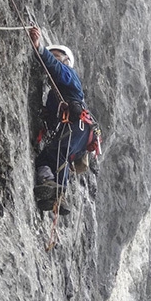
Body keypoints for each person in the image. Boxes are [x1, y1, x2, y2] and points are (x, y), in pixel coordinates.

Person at [29, 26, 92, 214]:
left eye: (56, 55)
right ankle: (51, 188)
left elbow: (56, 69)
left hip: (78, 126)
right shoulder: (54, 95)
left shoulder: (69, 75)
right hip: (74, 130)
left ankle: (59, 192)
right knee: (45, 158)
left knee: (59, 152)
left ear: (66, 61)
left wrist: (39, 48)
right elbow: (49, 116)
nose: (52, 58)